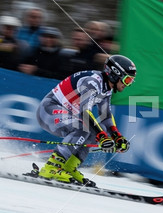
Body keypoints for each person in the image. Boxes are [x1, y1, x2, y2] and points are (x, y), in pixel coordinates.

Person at [35, 55, 136, 186]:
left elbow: (105, 116)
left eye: (131, 81)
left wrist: (117, 137)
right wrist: (103, 137)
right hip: (48, 111)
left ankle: (68, 168)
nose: (127, 84)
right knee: (83, 128)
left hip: (65, 115)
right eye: (127, 80)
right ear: (115, 74)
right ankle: (51, 168)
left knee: (98, 130)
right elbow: (84, 111)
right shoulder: (92, 82)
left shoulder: (107, 87)